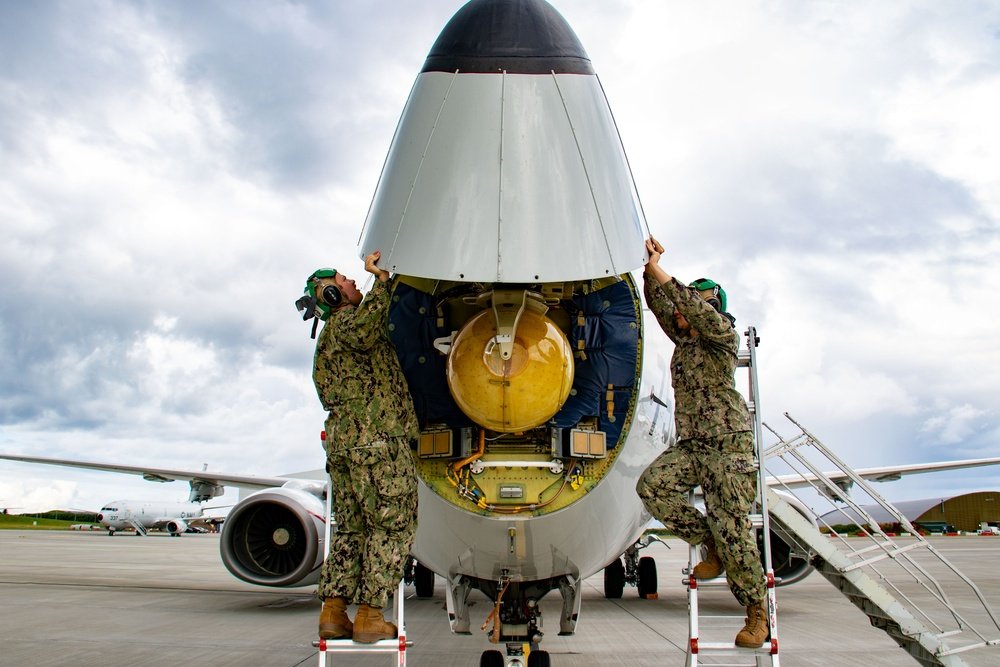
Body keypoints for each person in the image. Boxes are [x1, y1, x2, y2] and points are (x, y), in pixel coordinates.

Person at [635, 236, 768, 648]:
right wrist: (647, 269)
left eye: (695, 304)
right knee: (652, 487)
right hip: (694, 446)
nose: (683, 313)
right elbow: (663, 306)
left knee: (736, 529)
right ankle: (707, 538)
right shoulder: (686, 342)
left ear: (712, 306)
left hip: (727, 448)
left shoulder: (721, 334)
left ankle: (756, 613)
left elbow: (689, 306)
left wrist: (663, 272)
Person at [298, 250, 420, 644]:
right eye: (345, 281)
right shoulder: (348, 324)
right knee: (391, 524)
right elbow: (370, 328)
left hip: (345, 447)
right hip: (378, 442)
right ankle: (370, 615)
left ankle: (333, 612)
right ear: (331, 297)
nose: (353, 282)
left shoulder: (328, 344)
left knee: (351, 530)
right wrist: (382, 282)